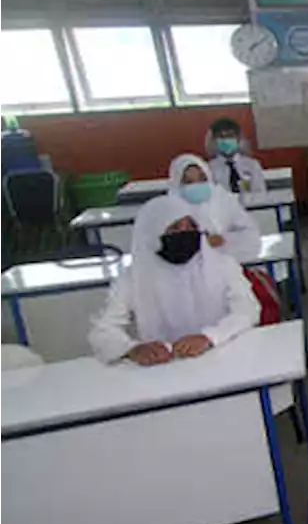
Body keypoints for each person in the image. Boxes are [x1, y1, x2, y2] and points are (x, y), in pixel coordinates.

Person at [89, 194, 260, 366]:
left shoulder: (222, 264)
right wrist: (131, 349)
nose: (185, 233)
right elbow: (102, 330)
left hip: (222, 357)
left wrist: (210, 337)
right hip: (162, 368)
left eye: (191, 226)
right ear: (152, 235)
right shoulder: (133, 277)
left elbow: (247, 310)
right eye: (174, 228)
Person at [168, 154, 262, 265]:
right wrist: (202, 243)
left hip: (230, 265)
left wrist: (224, 240)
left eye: (202, 179)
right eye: (189, 182)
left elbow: (250, 232)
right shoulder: (169, 207)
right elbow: (172, 247)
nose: (197, 185)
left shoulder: (222, 198)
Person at [207, 118, 267, 194]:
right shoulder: (210, 168)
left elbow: (260, 192)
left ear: (238, 139)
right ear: (214, 140)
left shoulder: (252, 165)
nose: (225, 140)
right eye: (221, 136)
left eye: (230, 136)